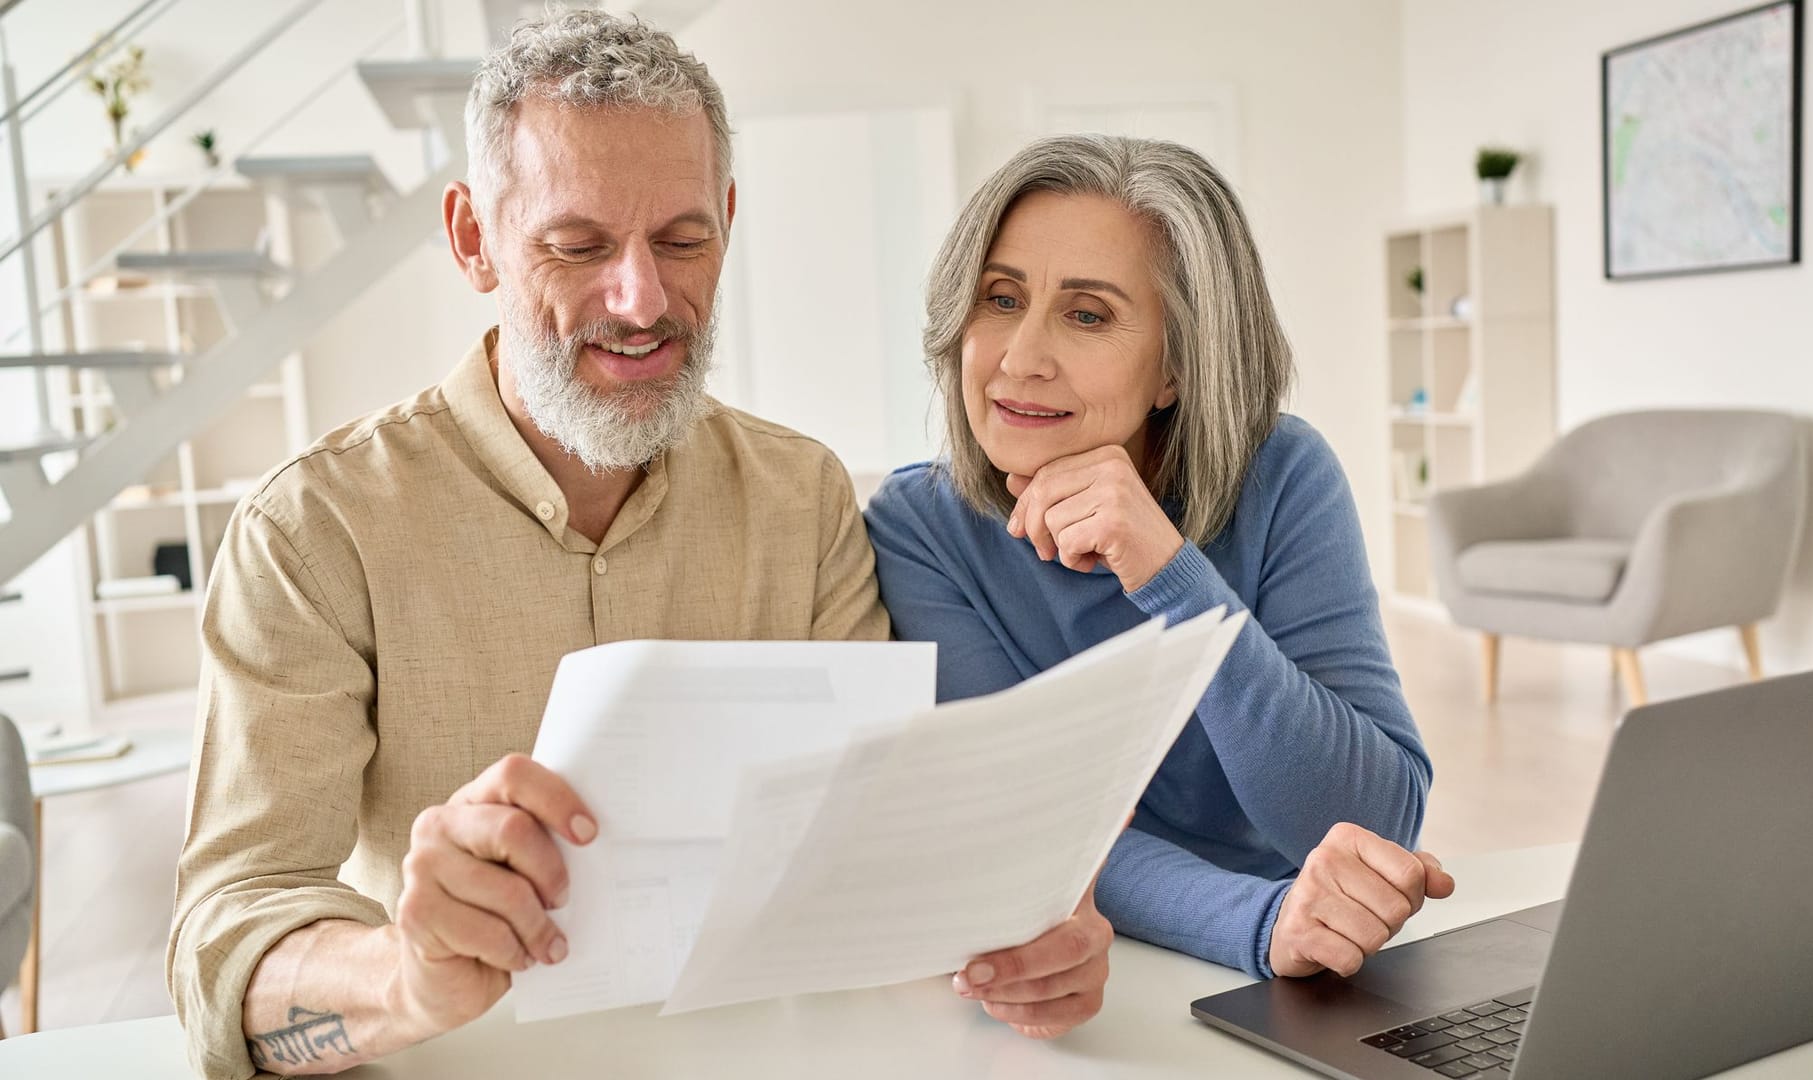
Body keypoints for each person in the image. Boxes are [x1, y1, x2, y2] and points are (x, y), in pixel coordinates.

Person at [168, 14, 1106, 1078]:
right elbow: (230, 934)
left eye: (682, 239)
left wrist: (1023, 924)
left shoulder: (803, 499)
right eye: (576, 246)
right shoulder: (314, 530)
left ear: (731, 221)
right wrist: (402, 978)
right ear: (473, 240)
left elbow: (878, 846)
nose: (643, 300)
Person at [865, 134, 1456, 1001]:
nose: (1019, 356)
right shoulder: (919, 526)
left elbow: (1376, 821)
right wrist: (1259, 923)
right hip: (1085, 965)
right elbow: (1032, 825)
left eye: (1088, 313)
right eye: (1000, 299)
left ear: (1176, 366)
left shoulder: (1284, 475)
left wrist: (1171, 574)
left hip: (1297, 968)